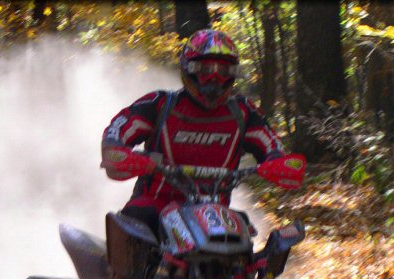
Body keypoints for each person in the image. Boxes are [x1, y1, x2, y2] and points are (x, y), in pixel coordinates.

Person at [101, 28, 306, 238]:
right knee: (136, 220)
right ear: (189, 68)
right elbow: (118, 129)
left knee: (245, 239)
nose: (215, 79)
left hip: (215, 213)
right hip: (156, 203)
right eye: (206, 69)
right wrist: (120, 153)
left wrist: (277, 162)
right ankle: (117, 270)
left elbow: (272, 144)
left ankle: (255, 269)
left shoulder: (243, 112)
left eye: (223, 71)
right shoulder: (161, 104)